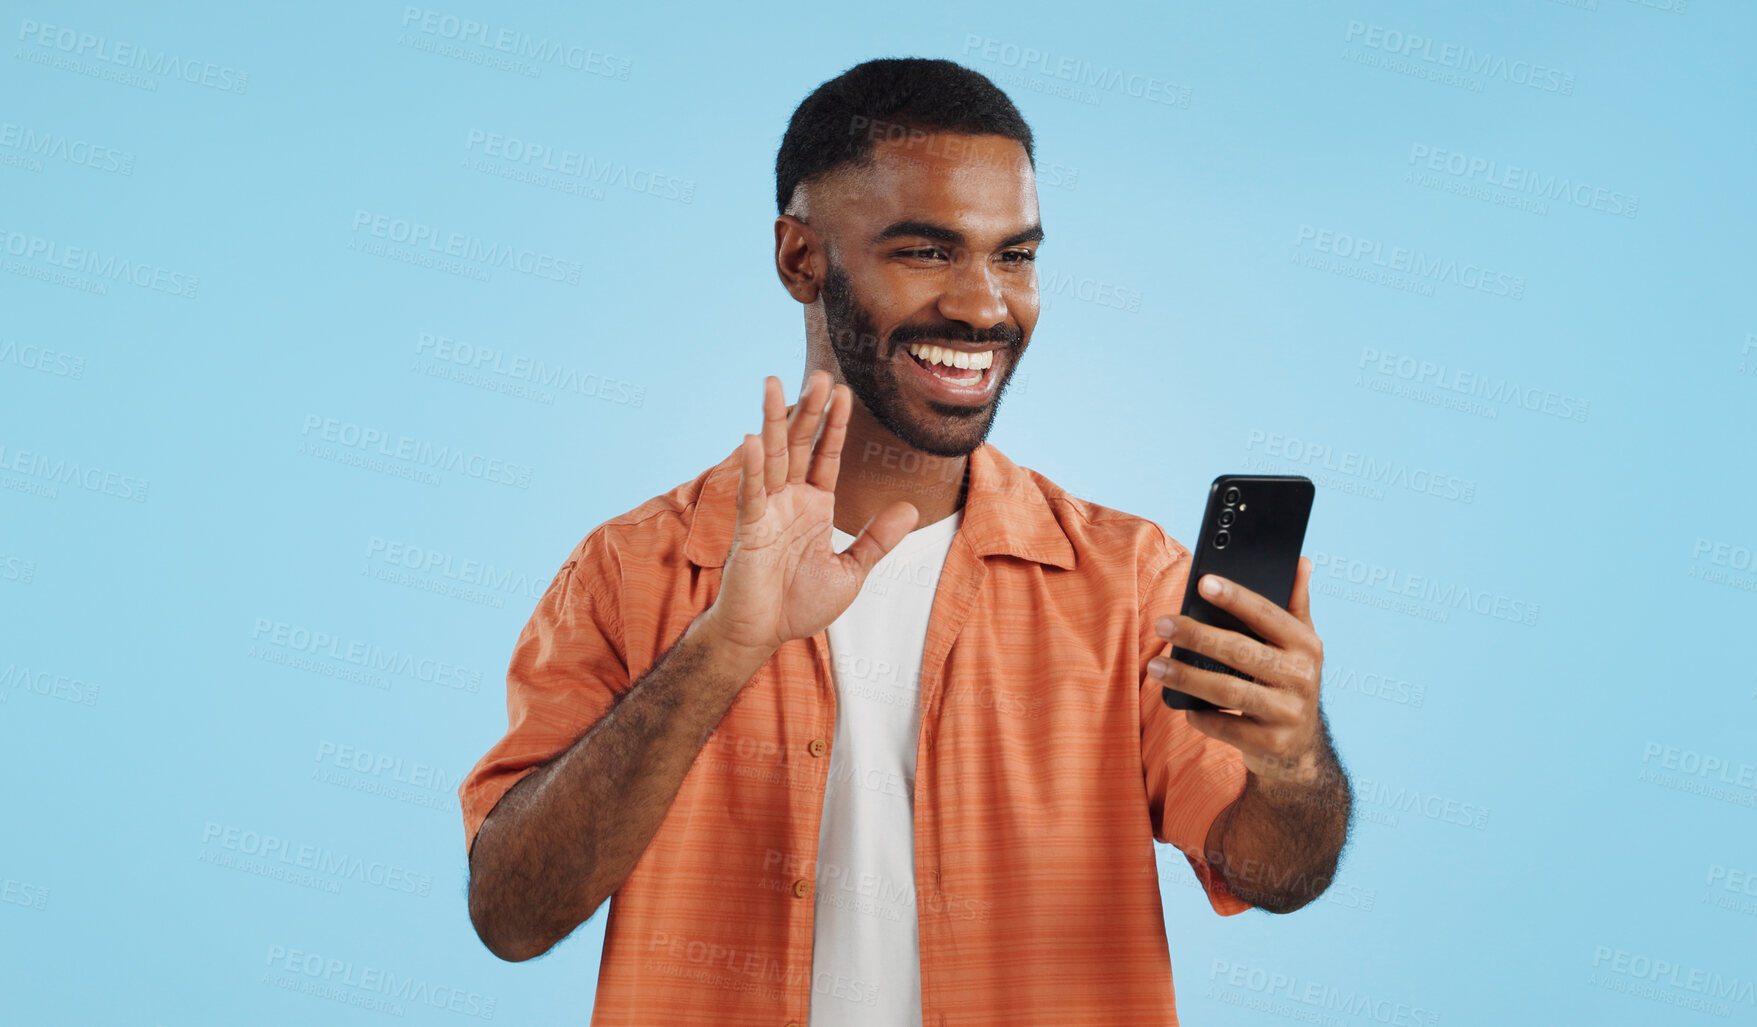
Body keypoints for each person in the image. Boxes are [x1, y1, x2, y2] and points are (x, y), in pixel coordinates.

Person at [459, 57, 1351, 1027]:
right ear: (802, 258)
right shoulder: (629, 570)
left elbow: (1272, 872)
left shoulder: (1129, 581)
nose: (983, 306)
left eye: (1014, 255)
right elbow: (513, 914)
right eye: (926, 252)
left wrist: (1292, 762)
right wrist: (722, 648)